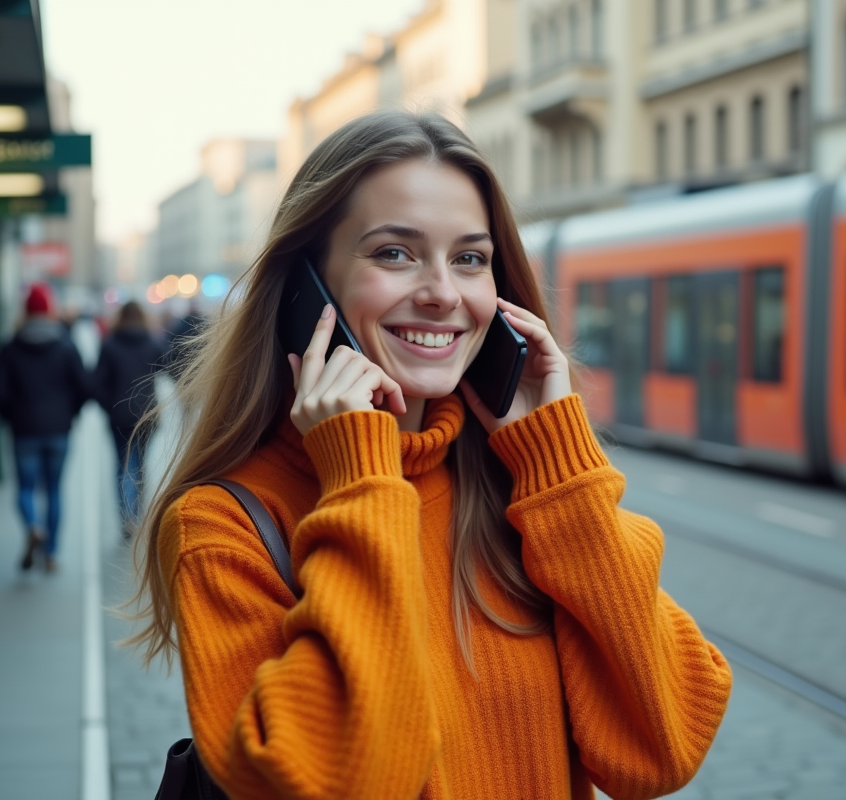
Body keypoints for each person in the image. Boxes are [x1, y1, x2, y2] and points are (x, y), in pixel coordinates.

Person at [129, 111, 732, 799]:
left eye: (470, 258)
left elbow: (662, 746)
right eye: (394, 252)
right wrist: (361, 482)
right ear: (305, 290)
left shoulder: (523, 493)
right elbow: (337, 778)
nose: (443, 293)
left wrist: (559, 469)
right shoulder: (225, 524)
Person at [0, 283, 89, 573]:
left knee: (26, 488)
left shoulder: (10, 347)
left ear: (26, 311)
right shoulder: (66, 346)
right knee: (55, 491)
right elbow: (84, 387)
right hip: (58, 430)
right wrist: (70, 413)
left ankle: (33, 526)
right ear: (49, 310)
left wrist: (12, 415)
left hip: (24, 430)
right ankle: (52, 553)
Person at [92, 301, 165, 539]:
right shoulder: (151, 343)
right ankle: (137, 513)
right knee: (141, 465)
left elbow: (97, 384)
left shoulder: (110, 345)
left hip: (119, 417)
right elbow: (168, 368)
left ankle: (127, 516)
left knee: (122, 466)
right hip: (146, 415)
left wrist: (110, 407)